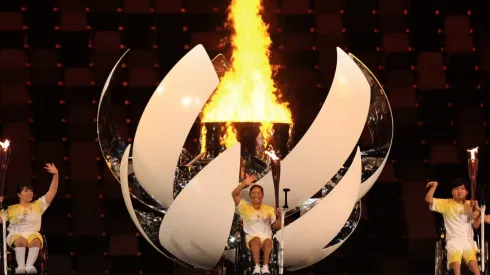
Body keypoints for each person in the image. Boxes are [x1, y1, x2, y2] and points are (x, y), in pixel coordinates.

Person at [0, 163, 58, 274]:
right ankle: (20, 268)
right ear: (19, 194)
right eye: (26, 191)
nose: (29, 193)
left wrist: (56, 175)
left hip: (32, 233)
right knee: (21, 241)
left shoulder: (38, 205)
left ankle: (29, 266)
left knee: (36, 241)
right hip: (16, 234)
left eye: (31, 191)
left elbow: (52, 192)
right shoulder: (10, 209)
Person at [425, 178, 481, 275]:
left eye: (462, 188)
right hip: (453, 239)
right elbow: (428, 199)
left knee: (472, 259)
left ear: (467, 192)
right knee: (456, 255)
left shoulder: (470, 205)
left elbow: (476, 225)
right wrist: (434, 186)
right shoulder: (446, 204)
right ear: (452, 192)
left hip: (467, 239)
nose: (459, 191)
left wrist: (478, 210)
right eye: (456, 189)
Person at [232, 174, 281, 275]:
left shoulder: (269, 209)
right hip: (251, 238)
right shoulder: (245, 208)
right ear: (250, 195)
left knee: (268, 241)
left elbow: (277, 227)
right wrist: (244, 184)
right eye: (253, 193)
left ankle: (265, 267)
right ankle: (257, 267)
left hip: (266, 238)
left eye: (258, 193)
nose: (256, 195)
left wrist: (279, 217)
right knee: (256, 240)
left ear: (262, 195)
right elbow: (234, 194)